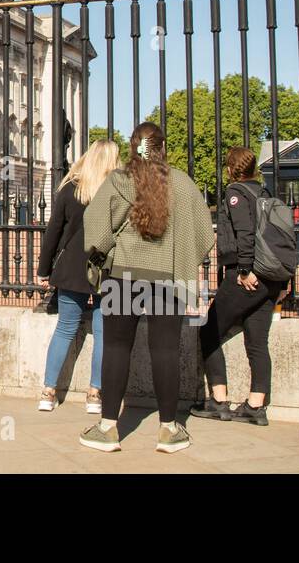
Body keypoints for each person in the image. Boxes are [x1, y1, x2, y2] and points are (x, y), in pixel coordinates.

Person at [78, 122, 215, 454]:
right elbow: (203, 235)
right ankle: (168, 430)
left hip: (123, 276)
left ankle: (108, 428)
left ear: (133, 146)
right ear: (163, 148)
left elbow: (95, 228)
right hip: (167, 278)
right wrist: (179, 257)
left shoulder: (119, 180)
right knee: (166, 350)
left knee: (115, 348)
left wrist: (109, 249)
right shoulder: (181, 183)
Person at [190, 146, 292, 426]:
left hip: (247, 276)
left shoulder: (236, 193)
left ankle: (219, 400)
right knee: (257, 342)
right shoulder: (265, 193)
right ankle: (255, 406)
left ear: (231, 168)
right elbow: (279, 237)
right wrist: (283, 280)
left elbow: (245, 233)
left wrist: (245, 270)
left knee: (209, 330)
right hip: (272, 278)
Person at [35, 139, 121, 414]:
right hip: (108, 268)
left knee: (65, 329)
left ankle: (49, 391)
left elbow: (53, 233)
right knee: (104, 335)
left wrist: (43, 270)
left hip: (73, 268)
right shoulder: (118, 191)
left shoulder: (71, 190)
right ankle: (95, 393)